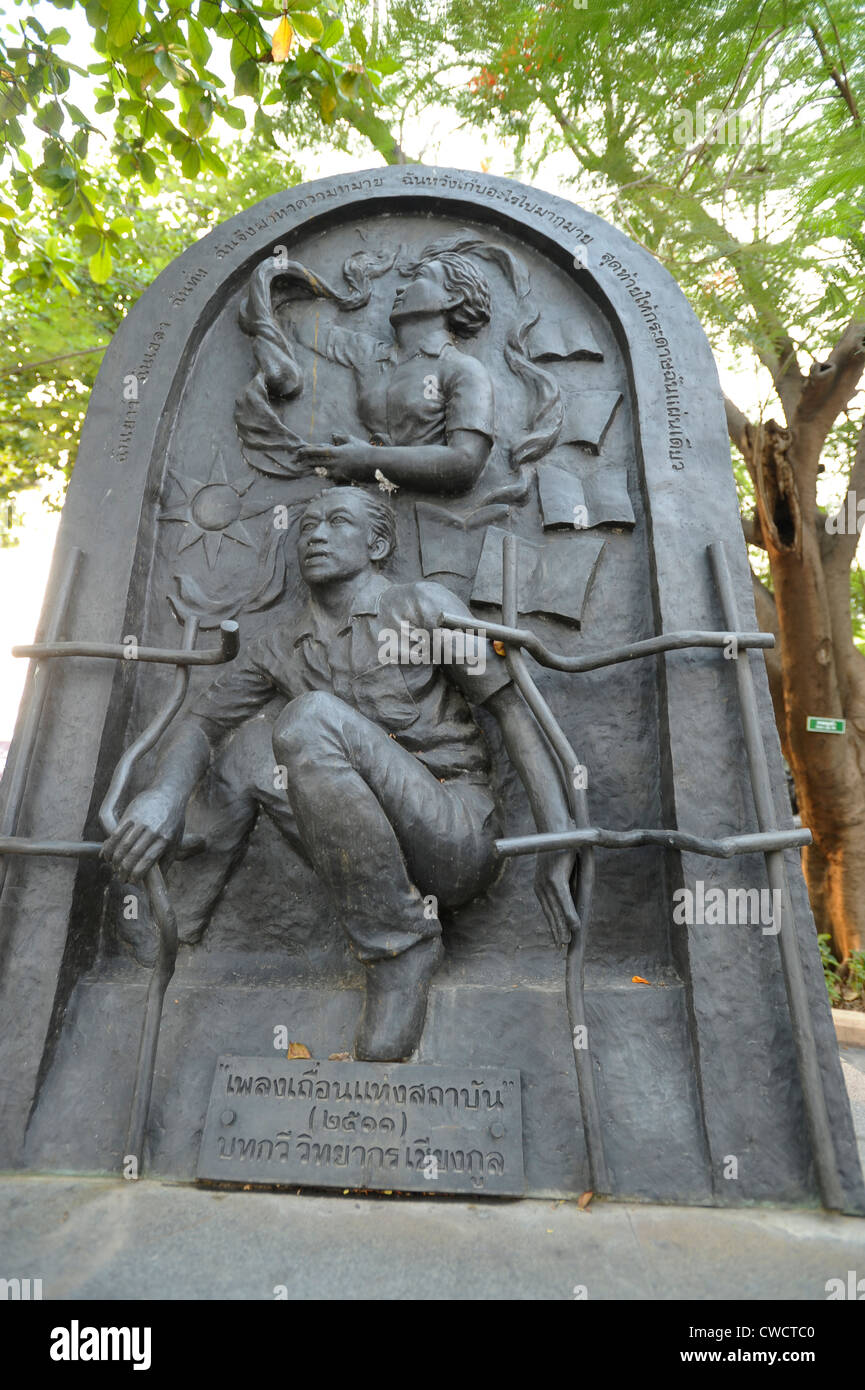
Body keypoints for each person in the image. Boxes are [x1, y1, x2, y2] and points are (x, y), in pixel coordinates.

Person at [104, 487, 577, 1061]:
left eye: (336, 522)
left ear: (377, 543)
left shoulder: (421, 607)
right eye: (306, 527)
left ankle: (400, 949)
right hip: (355, 843)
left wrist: (559, 845)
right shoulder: (280, 644)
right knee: (250, 743)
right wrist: (163, 794)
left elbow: (513, 712)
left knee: (308, 718)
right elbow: (202, 721)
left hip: (451, 836)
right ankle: (180, 912)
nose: (316, 535)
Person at [292, 248, 496, 495]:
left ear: (452, 298)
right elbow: (305, 330)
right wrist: (348, 288)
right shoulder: (369, 354)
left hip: (429, 519)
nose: (400, 289)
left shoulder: (463, 369)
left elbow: (465, 462)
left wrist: (367, 460)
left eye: (420, 277)